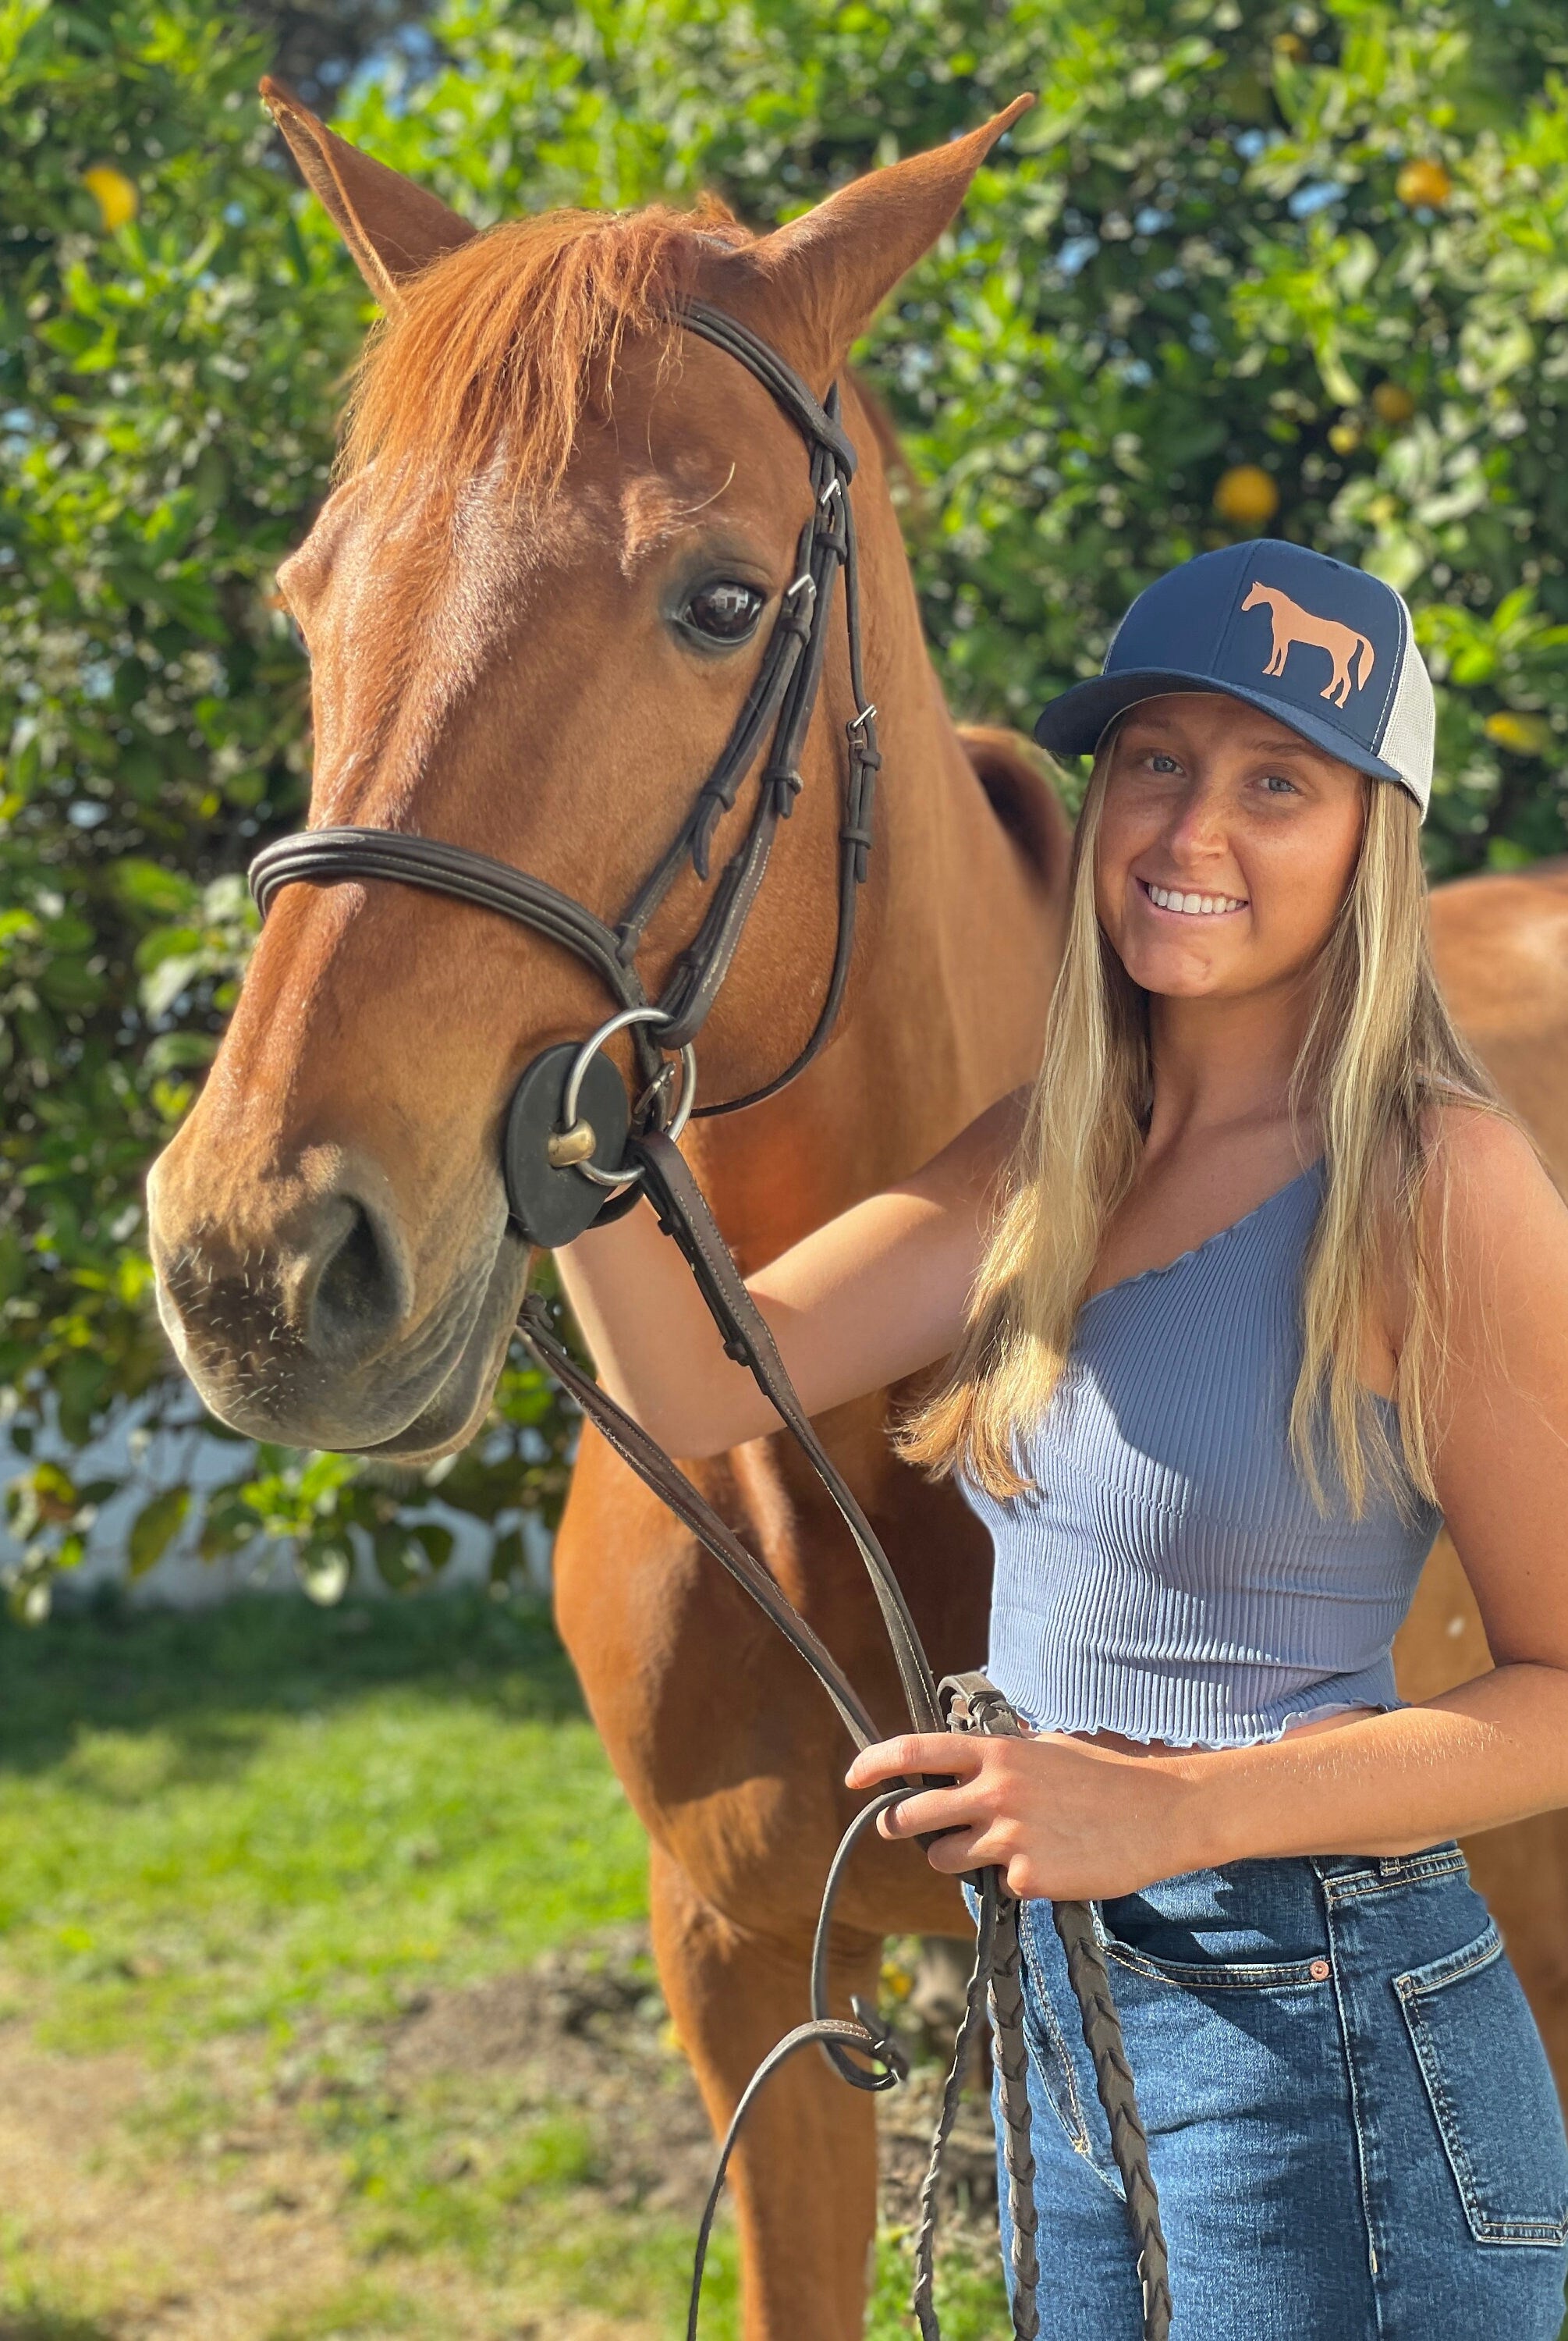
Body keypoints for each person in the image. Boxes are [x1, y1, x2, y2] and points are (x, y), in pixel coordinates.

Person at [555, 539, 1568, 2336]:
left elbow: (1561, 1693)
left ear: (1372, 843)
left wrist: (1161, 1806)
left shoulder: (1436, 1180)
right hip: (1072, 2031)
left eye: (1279, 783)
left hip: (1332, 2040)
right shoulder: (1049, 1156)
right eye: (1158, 764)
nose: (1194, 832)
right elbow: (719, 1375)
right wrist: (550, 1100)